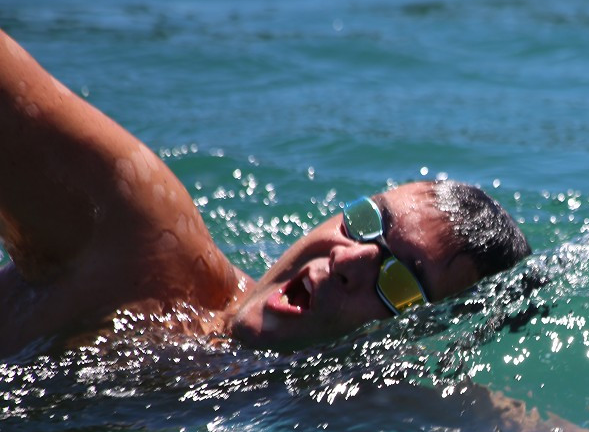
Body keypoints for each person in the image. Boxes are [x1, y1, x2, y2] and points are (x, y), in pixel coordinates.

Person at [0, 28, 530, 358]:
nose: (349, 257)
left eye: (399, 281)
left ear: (415, 336)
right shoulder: (137, 236)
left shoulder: (322, 403)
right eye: (367, 219)